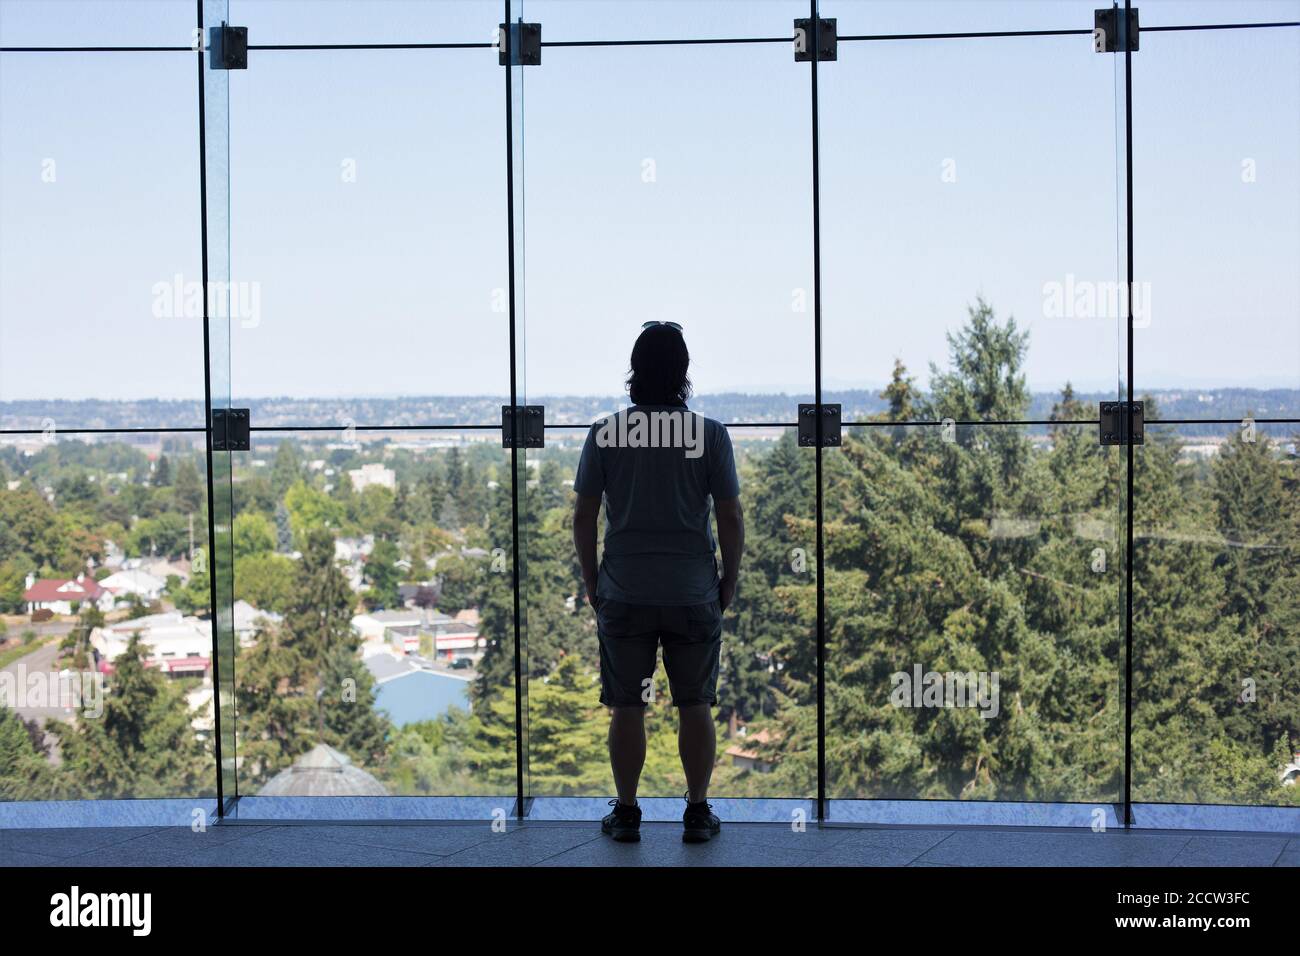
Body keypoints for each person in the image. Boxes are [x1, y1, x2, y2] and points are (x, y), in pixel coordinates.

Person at [572, 321, 745, 843]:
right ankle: (696, 813)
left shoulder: (606, 433)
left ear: (634, 373)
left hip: (623, 591)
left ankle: (626, 814)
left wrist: (590, 581)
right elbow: (731, 517)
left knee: (627, 706)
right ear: (684, 373)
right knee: (695, 704)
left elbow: (584, 516)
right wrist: (728, 580)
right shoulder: (709, 434)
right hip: (693, 591)